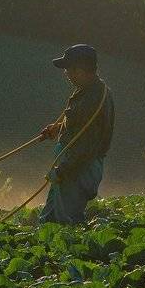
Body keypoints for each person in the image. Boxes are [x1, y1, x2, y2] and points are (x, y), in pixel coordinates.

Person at [38, 43, 115, 225]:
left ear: (80, 70)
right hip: (71, 166)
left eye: (68, 69)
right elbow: (78, 125)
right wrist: (57, 129)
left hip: (77, 170)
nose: (66, 74)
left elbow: (85, 146)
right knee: (49, 219)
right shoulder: (89, 90)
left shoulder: (93, 99)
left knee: (66, 224)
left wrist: (62, 171)